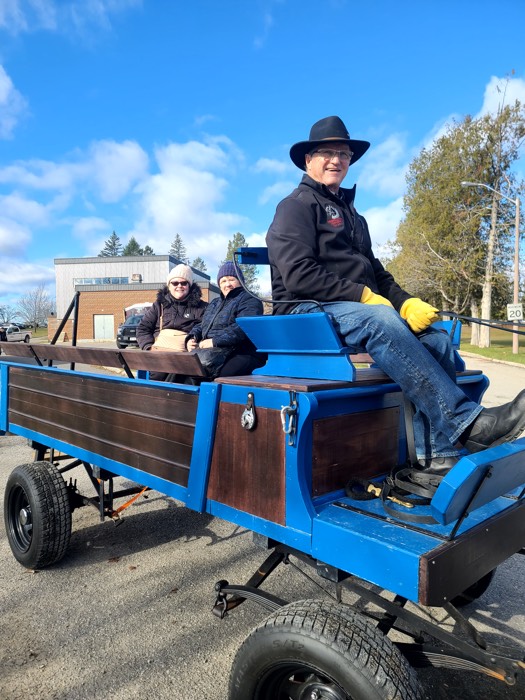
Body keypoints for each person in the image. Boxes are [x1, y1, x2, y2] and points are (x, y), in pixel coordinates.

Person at [266, 115, 525, 476]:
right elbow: (297, 275)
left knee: (435, 339)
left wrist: (405, 301)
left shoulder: (354, 217)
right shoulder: (294, 206)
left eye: (343, 153)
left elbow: (378, 273)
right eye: (326, 152)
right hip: (303, 312)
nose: (336, 159)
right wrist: (364, 297)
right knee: (380, 318)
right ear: (308, 160)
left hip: (348, 309)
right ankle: (468, 424)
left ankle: (438, 455)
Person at [185, 261, 265, 377]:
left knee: (215, 376)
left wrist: (214, 341)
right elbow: (203, 325)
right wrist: (192, 337)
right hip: (211, 353)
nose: (227, 284)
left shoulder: (250, 299)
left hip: (241, 352)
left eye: (232, 279)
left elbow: (244, 326)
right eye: (223, 281)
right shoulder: (214, 303)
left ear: (240, 281)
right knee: (181, 371)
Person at [137, 263, 207, 381]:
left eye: (183, 283)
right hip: (159, 359)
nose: (179, 286)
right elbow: (143, 329)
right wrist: (148, 348)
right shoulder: (159, 305)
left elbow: (206, 330)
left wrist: (195, 342)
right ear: (169, 285)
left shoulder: (203, 308)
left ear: (189, 285)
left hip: (187, 360)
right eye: (175, 283)